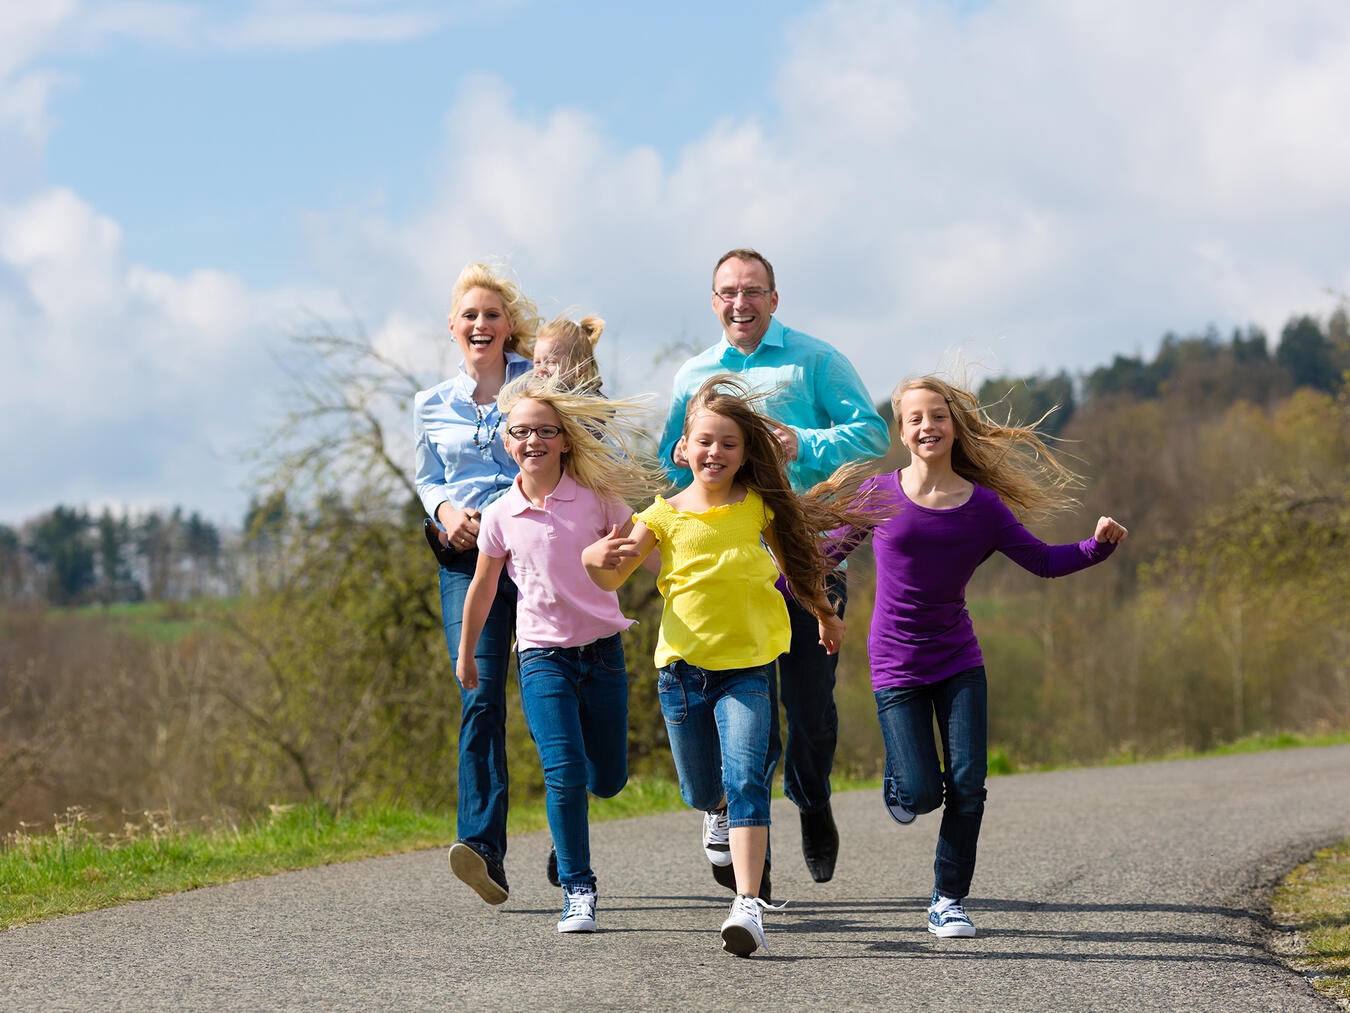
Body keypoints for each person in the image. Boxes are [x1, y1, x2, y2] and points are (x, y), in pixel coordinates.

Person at [584, 374, 872, 957]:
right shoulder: (661, 516)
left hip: (747, 671)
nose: (715, 452)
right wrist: (593, 559)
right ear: (682, 450)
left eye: (729, 444)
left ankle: (746, 902)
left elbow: (796, 564)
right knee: (700, 788)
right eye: (705, 442)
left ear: (745, 456)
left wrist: (824, 613)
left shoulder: (760, 507)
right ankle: (713, 813)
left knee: (747, 780)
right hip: (682, 675)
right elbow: (611, 576)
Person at [839, 375, 1128, 938]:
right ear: (902, 429)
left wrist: (1099, 546)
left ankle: (948, 899)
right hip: (895, 663)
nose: (928, 426)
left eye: (938, 416)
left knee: (969, 782)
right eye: (916, 418)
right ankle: (903, 779)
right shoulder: (878, 494)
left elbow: (1043, 561)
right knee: (923, 793)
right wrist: (772, 581)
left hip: (958, 660)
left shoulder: (983, 508)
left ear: (954, 426)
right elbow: (826, 554)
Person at [657, 248, 889, 888]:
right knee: (745, 712)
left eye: (753, 291)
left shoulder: (815, 360)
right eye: (729, 292)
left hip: (808, 552)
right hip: (730, 569)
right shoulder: (693, 377)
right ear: (713, 302)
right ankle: (751, 858)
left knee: (811, 707)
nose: (741, 302)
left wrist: (803, 442)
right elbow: (672, 468)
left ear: (774, 299)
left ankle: (812, 800)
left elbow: (871, 435)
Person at [458, 373, 662, 933]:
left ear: (565, 440)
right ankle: (578, 887)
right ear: (506, 442)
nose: (533, 442)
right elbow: (480, 587)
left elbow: (647, 549)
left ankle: (572, 822)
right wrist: (467, 652)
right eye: (521, 432)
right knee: (563, 771)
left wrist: (688, 587)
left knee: (608, 779)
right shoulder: (499, 515)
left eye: (545, 431)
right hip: (542, 657)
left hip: (602, 654)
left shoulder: (596, 499)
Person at [413, 261, 541, 906]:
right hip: (467, 563)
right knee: (480, 693)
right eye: (469, 315)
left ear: (509, 325)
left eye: (492, 314)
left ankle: (569, 838)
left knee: (558, 695)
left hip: (542, 554)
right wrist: (445, 513)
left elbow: (580, 444)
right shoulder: (429, 404)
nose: (481, 324)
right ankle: (483, 847)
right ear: (453, 327)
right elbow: (428, 479)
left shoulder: (540, 383)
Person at [532, 313, 605, 393]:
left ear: (579, 367)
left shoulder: (584, 400)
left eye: (551, 362)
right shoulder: (536, 394)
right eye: (537, 362)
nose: (541, 369)